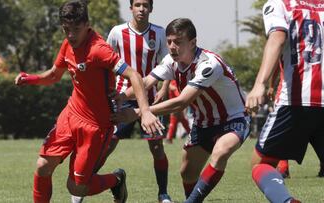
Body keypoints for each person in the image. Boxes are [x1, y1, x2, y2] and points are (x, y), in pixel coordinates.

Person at [14, 1, 163, 203]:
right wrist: (31, 78)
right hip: (70, 116)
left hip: (96, 127)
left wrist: (145, 111)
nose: (71, 35)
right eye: (67, 30)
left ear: (87, 25)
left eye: (76, 29)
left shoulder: (99, 50)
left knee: (76, 187)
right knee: (42, 166)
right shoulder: (68, 44)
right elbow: (54, 76)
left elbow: (134, 75)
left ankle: (117, 180)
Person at [113, 18, 251, 202]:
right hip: (203, 123)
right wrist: (119, 97)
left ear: (193, 43)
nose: (171, 46)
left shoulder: (208, 64)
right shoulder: (171, 61)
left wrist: (140, 112)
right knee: (187, 173)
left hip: (233, 120)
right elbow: (145, 82)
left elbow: (182, 102)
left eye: (178, 42)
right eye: (169, 41)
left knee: (221, 152)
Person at [245, 0, 324, 202]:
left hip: (296, 101)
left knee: (260, 164)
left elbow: (277, 39)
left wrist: (260, 84)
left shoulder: (279, 4)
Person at [100, 1, 172, 202]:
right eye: (138, 4)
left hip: (149, 100)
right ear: (131, 8)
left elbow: (167, 63)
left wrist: (164, 88)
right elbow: (105, 63)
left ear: (151, 8)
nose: (142, 9)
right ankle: (82, 186)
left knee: (157, 147)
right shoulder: (116, 32)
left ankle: (163, 193)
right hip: (122, 98)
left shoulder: (159, 33)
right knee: (107, 145)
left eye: (145, 5)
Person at [268, 65, 324, 179]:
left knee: (283, 132)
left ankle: (282, 168)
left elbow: (275, 66)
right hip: (298, 96)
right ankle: (283, 167)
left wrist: (270, 85)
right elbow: (276, 66)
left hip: (300, 96)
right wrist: (270, 85)